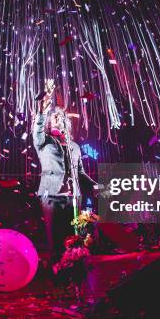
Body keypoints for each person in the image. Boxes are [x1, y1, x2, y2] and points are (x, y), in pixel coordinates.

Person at [32, 79, 97, 262]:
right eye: (54, 117)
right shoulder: (43, 141)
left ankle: (72, 269)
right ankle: (56, 269)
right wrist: (43, 109)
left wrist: (97, 185)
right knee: (55, 236)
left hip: (73, 197)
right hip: (51, 195)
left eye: (60, 117)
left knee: (74, 236)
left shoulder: (74, 146)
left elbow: (81, 173)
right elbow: (37, 128)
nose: (57, 119)